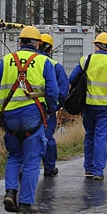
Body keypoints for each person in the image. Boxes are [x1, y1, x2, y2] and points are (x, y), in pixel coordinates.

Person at [0, 26, 59, 214]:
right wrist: (50, 109)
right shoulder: (44, 61)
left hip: (10, 118)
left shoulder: (6, 60)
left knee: (14, 157)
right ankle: (25, 205)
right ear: (37, 43)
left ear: (20, 42)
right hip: (33, 117)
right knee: (31, 162)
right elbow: (52, 92)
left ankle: (11, 192)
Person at [68, 32, 107, 181]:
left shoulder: (86, 60)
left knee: (89, 135)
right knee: (101, 137)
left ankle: (88, 168)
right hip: (106, 107)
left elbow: (72, 79)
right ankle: (98, 171)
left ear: (96, 45)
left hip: (88, 105)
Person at [38, 34, 69, 177]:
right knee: (47, 137)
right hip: (46, 110)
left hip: (21, 109)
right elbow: (62, 92)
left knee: (24, 139)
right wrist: (55, 107)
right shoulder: (55, 66)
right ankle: (49, 167)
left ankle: (22, 168)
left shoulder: (16, 61)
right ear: (50, 48)